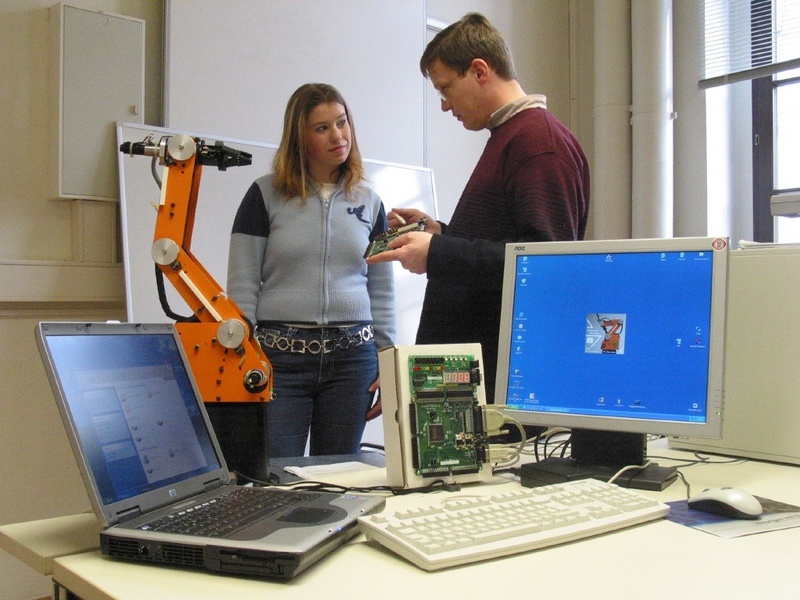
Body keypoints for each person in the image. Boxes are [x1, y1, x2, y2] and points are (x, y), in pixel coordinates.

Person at [367, 13, 589, 404]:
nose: (444, 105)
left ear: (480, 70)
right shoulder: (511, 136)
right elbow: (504, 243)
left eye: (446, 88)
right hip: (472, 375)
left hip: (498, 382)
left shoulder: (539, 144)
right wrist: (441, 234)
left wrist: (438, 253)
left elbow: (546, 264)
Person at [228, 83, 395, 458]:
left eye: (342, 122)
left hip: (353, 362)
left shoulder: (370, 202)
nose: (338, 136)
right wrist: (241, 354)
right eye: (322, 128)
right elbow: (242, 284)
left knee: (340, 475)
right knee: (277, 476)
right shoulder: (264, 194)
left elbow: (381, 290)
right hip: (280, 359)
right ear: (299, 138)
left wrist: (389, 360)